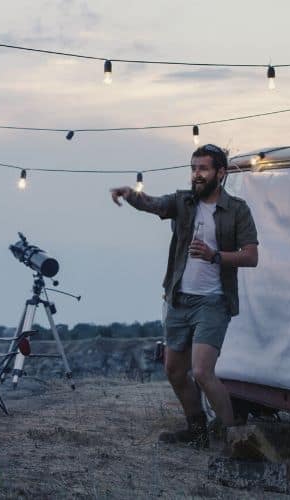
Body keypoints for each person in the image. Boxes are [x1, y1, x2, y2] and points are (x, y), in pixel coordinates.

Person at [110, 144, 259, 447]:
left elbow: (251, 256)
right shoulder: (183, 202)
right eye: (193, 168)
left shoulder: (237, 209)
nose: (197, 175)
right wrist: (131, 194)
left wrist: (214, 255)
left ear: (221, 172)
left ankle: (236, 439)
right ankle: (198, 431)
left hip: (213, 301)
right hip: (179, 299)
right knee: (175, 370)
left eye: (203, 168)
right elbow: (155, 204)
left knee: (203, 371)